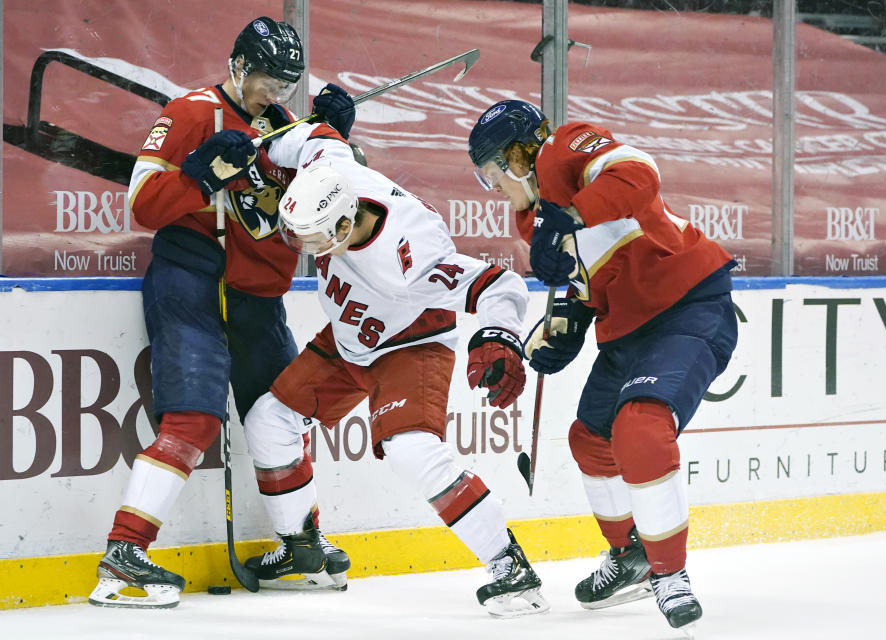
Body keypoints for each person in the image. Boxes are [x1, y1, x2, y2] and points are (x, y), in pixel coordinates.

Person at [89, 16, 357, 608]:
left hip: (259, 295)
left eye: (286, 84)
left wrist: (335, 144)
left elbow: (330, 211)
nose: (275, 94)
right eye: (265, 80)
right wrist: (201, 171)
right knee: (193, 418)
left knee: (278, 419)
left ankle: (301, 547)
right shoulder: (189, 112)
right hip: (192, 279)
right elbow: (142, 204)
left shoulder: (292, 129)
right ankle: (124, 558)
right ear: (237, 66)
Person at [232, 121, 549, 617]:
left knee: (411, 450)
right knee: (269, 420)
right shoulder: (328, 170)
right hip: (350, 334)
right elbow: (316, 134)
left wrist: (499, 335)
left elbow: (499, 285)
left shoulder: (411, 254)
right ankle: (303, 553)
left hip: (410, 344)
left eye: (313, 242)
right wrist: (260, 151)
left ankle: (511, 568)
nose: (308, 255)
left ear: (342, 226)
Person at [467, 100, 738, 632]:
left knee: (640, 428)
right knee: (590, 439)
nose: (492, 187)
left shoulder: (566, 146)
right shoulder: (531, 221)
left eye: (491, 173)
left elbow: (639, 175)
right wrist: (564, 329)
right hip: (630, 329)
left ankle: (670, 573)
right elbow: (587, 281)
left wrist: (565, 218)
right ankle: (630, 557)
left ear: (517, 155)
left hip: (686, 304)